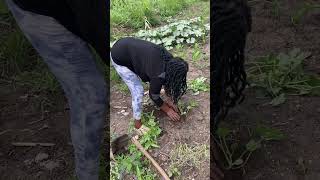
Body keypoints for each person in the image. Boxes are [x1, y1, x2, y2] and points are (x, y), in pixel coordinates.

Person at [5, 0, 108, 179]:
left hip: (81, 8)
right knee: (90, 96)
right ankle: (86, 175)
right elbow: (97, 25)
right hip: (37, 8)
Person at [110, 37, 189, 129]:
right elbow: (153, 96)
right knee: (138, 91)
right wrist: (167, 109)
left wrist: (170, 100)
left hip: (127, 44)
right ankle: (137, 124)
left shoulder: (171, 60)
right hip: (119, 56)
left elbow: (169, 80)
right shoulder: (158, 75)